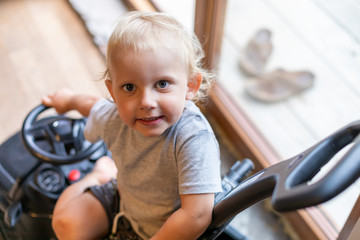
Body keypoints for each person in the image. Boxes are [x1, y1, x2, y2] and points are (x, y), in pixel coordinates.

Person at [43, 11, 222, 240]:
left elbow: (195, 216)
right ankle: (100, 175)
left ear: (190, 85)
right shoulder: (113, 116)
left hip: (170, 230)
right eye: (129, 87)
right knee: (64, 223)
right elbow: (93, 106)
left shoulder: (193, 138)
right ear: (113, 92)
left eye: (162, 83)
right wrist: (68, 100)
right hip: (125, 201)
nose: (146, 102)